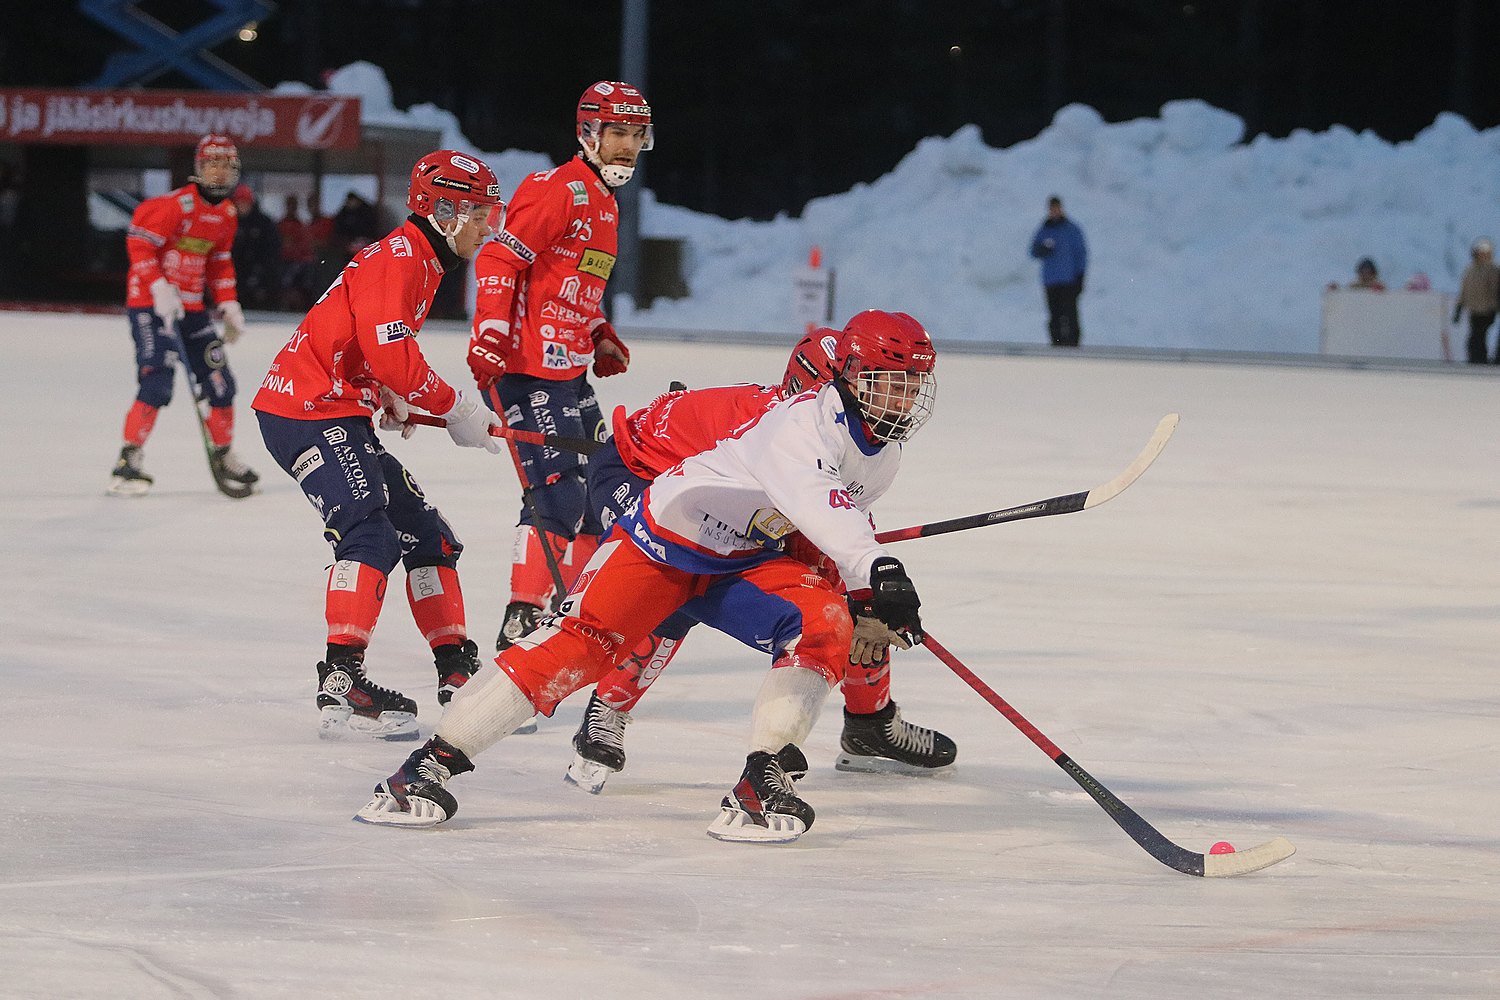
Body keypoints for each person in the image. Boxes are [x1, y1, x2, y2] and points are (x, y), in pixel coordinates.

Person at [357, 309, 938, 845]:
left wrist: (861, 595)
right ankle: (426, 767)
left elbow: (827, 527)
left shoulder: (882, 454)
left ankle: (762, 783)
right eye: (892, 380)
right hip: (665, 539)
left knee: (823, 624)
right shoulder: (800, 426)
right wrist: (878, 570)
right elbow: (821, 504)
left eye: (913, 385)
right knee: (577, 649)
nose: (905, 397)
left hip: (745, 556)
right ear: (852, 377)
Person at [563, 326, 956, 794]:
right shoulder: (785, 426)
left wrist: (866, 594)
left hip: (732, 506)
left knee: (847, 592)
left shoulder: (840, 433)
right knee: (676, 581)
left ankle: (870, 722)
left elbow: (839, 527)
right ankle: (608, 708)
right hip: (636, 472)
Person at [252, 150, 508, 741]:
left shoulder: (420, 259)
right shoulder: (402, 259)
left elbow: (373, 347)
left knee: (428, 534)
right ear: (440, 209)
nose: (485, 227)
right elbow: (394, 353)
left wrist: (386, 394)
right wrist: (458, 407)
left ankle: (455, 673)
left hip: (334, 407)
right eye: (475, 213)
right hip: (308, 411)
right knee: (369, 533)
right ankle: (341, 679)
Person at [467, 80, 651, 650]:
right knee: (557, 496)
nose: (626, 145)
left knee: (603, 490)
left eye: (636, 134)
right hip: (526, 367)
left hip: (569, 368)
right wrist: (491, 333)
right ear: (588, 132)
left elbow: (577, 282)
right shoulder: (559, 189)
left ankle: (573, 617)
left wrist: (598, 333)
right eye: (617, 132)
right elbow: (500, 257)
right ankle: (522, 621)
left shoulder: (607, 202)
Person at [110, 134, 256, 497]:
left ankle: (223, 453)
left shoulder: (226, 214)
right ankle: (128, 459)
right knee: (157, 380)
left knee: (220, 381)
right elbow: (139, 243)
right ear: (198, 168)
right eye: (212, 165)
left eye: (226, 166)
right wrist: (158, 287)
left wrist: (229, 303)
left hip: (192, 309)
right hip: (151, 305)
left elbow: (219, 263)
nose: (219, 174)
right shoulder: (174, 206)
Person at [1029, 195, 1087, 347]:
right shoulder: (1044, 230)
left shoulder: (1071, 230)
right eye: (1052, 209)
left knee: (1070, 314)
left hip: (1068, 280)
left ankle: (1073, 344)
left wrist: (1080, 276)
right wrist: (1043, 250)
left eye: (1057, 208)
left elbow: (1080, 254)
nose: (1054, 211)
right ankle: (1057, 344)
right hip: (1051, 281)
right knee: (1054, 315)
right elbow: (1033, 251)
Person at [230, 184, 282, 311]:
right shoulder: (230, 221)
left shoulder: (264, 223)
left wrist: (262, 275)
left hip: (261, 273)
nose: (242, 206)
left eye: (245, 202)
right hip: (239, 272)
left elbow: (272, 251)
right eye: (239, 203)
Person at [1453, 239, 1498, 364]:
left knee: (1479, 336)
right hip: (1474, 310)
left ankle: (1480, 360)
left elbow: (1495, 291)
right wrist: (1459, 308)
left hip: (1488, 310)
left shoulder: (1493, 270)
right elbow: (1464, 291)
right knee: (1474, 337)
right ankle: (1475, 359)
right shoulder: (1470, 271)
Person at [277, 194, 316, 312]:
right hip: (282, 262)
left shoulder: (301, 227)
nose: (291, 208)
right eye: (289, 205)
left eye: (293, 205)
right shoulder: (279, 226)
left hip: (298, 263)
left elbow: (305, 248)